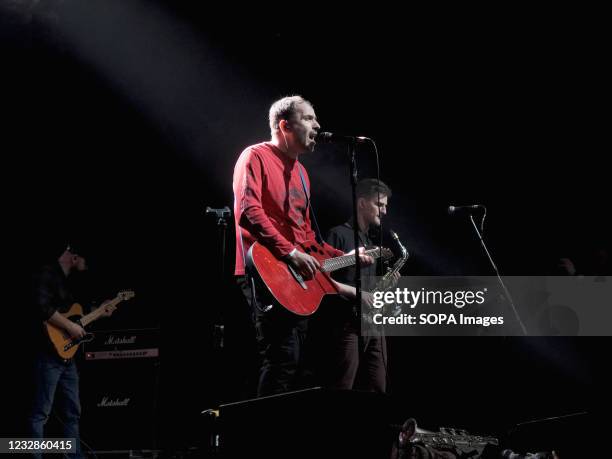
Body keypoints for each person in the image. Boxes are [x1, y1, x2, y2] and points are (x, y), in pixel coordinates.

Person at [232, 95, 372, 397]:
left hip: (296, 278)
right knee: (282, 358)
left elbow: (308, 237)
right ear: (284, 125)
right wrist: (290, 253)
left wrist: (345, 257)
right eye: (308, 118)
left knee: (300, 364)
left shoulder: (302, 174)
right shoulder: (255, 156)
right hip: (264, 270)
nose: (317, 125)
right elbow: (247, 211)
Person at [27, 243, 113, 459]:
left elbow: (77, 318)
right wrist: (70, 326)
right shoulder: (47, 273)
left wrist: (100, 313)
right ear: (74, 257)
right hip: (47, 354)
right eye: (85, 260)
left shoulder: (69, 282)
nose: (87, 266)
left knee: (72, 413)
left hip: (68, 358)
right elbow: (42, 308)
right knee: (40, 413)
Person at [319, 178, 398, 393]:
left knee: (377, 388)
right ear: (362, 203)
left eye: (385, 206)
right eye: (379, 205)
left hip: (372, 324)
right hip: (346, 325)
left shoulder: (369, 242)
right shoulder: (338, 235)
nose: (384, 211)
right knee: (342, 387)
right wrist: (358, 294)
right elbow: (321, 279)